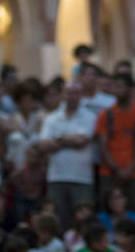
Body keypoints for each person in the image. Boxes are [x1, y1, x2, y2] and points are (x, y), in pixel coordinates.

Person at [39, 80, 96, 230]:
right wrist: (69, 139)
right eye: (69, 92)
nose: (72, 96)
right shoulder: (51, 118)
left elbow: (82, 141)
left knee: (84, 222)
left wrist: (57, 140)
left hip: (82, 178)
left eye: (76, 93)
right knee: (59, 222)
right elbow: (43, 145)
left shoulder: (89, 116)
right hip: (57, 176)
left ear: (81, 95)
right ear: (63, 95)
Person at [95, 73, 135, 214]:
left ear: (130, 89)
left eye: (121, 86)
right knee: (107, 213)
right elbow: (103, 146)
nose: (117, 90)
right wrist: (117, 169)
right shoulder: (105, 115)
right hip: (109, 172)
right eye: (115, 86)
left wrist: (129, 169)